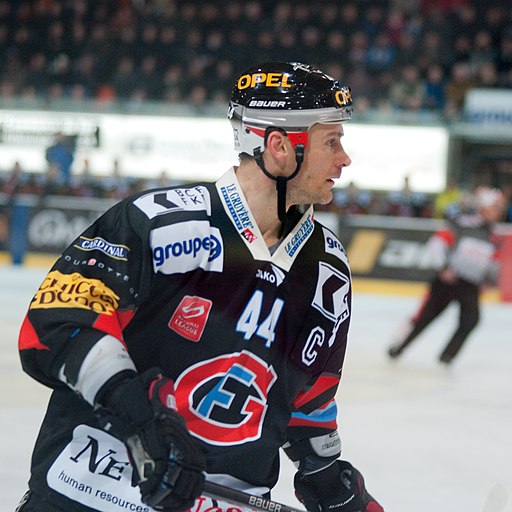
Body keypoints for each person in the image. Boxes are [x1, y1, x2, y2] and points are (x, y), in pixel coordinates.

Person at [17, 62, 384, 512]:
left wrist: (326, 476)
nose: (344, 158)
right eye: (332, 141)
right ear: (281, 147)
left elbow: (310, 392)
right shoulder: (157, 222)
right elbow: (57, 324)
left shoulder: (328, 268)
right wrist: (139, 417)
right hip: (93, 491)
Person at [387, 186, 505, 365]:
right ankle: (397, 347)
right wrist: (442, 268)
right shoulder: (461, 223)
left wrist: (489, 280)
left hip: (471, 284)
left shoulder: (493, 235)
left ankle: (447, 357)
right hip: (448, 280)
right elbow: (437, 243)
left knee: (471, 320)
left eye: (499, 208)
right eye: (494, 207)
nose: (497, 212)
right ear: (483, 207)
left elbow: (493, 261)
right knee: (425, 317)